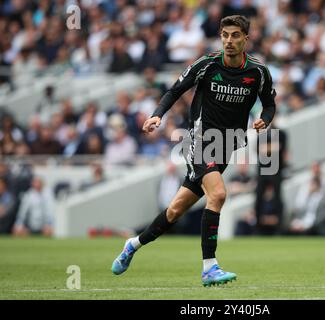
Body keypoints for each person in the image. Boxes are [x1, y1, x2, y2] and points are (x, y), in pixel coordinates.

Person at [111, 15, 276, 286]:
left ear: (246, 38)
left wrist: (265, 120)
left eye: (235, 35)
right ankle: (209, 267)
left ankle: (134, 244)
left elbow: (269, 103)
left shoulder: (257, 72)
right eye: (225, 35)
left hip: (226, 147)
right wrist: (157, 115)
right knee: (219, 194)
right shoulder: (207, 64)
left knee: (175, 211)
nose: (229, 41)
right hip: (199, 142)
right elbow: (175, 90)